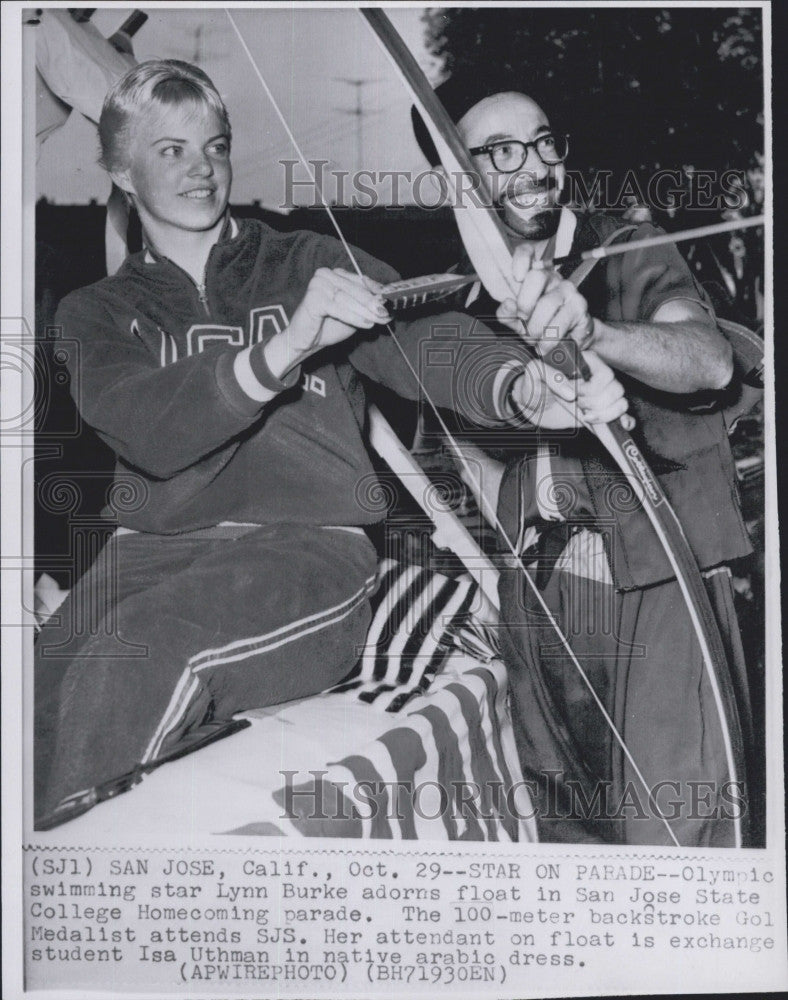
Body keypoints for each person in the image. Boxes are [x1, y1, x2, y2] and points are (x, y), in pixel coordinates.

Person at [33, 60, 628, 830]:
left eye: (215, 146)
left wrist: (521, 387)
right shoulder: (94, 311)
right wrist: (283, 348)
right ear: (118, 168)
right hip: (140, 552)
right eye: (171, 150)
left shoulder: (306, 261)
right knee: (34, 694)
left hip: (302, 551)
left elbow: (422, 338)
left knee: (138, 652)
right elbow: (149, 426)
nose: (203, 168)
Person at [412, 80, 756, 846]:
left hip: (660, 574)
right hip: (541, 594)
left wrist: (594, 332)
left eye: (542, 141)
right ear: (455, 180)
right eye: (501, 151)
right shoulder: (460, 294)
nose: (534, 165)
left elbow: (706, 361)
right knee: (569, 839)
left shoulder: (624, 241)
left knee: (678, 841)